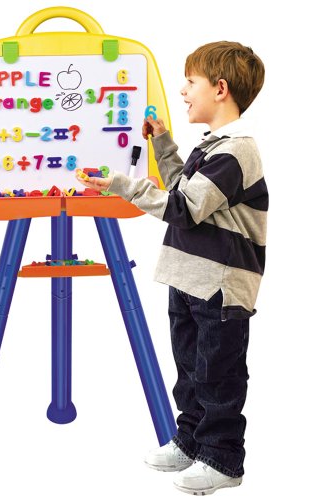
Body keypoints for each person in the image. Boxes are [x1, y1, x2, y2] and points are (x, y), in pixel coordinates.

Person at [76, 41, 267, 495]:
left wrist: (122, 185)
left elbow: (183, 208)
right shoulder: (212, 148)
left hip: (220, 286)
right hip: (187, 277)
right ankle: (190, 441)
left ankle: (222, 459)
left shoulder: (237, 152)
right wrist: (162, 142)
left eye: (190, 82)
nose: (182, 91)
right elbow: (183, 186)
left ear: (220, 89)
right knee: (190, 370)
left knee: (217, 375)